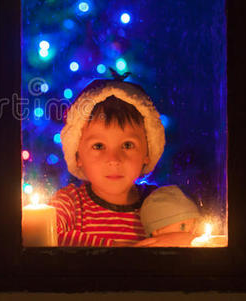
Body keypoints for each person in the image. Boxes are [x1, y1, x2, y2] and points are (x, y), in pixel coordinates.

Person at [50, 76, 193, 247]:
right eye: (98, 146)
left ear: (147, 152)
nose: (114, 160)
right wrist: (122, 252)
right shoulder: (71, 203)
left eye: (127, 145)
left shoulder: (161, 203)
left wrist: (184, 241)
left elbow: (197, 236)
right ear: (78, 155)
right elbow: (47, 234)